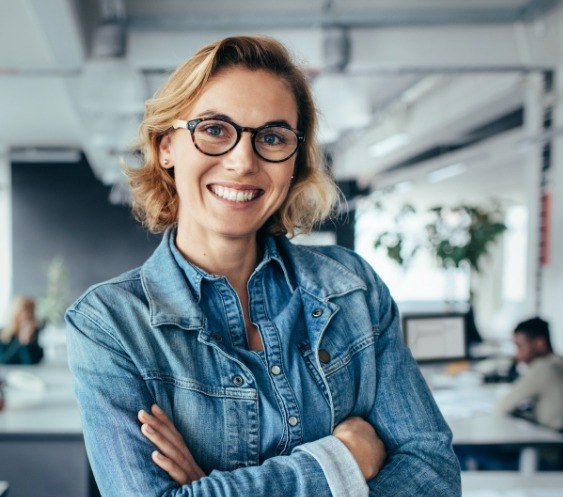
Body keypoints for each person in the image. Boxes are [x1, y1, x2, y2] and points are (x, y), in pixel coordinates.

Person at [65, 35, 461, 496]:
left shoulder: (352, 288)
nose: (242, 161)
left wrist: (209, 488)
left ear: (294, 159)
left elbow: (435, 476)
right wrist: (342, 460)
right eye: (214, 129)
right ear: (167, 145)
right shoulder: (111, 324)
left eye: (272, 137)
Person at [497, 317, 563, 431]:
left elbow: (502, 407)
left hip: (551, 443)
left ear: (540, 343)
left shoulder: (542, 368)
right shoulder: (558, 361)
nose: (516, 355)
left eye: (520, 346)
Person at [0, 296, 44, 365]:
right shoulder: (3, 333)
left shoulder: (33, 334)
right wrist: (19, 342)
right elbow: (3, 360)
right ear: (16, 313)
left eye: (31, 312)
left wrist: (26, 342)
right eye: (26, 312)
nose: (29, 315)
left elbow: (30, 362)